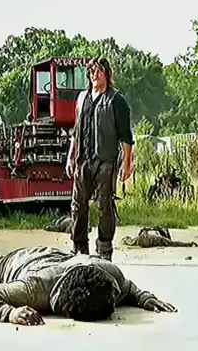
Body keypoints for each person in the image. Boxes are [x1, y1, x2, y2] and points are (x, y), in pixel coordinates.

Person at [0, 246, 176, 325]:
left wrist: (144, 298)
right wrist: (8, 313)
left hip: (50, 256)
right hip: (16, 264)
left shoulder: (108, 274)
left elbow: (128, 288)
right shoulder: (34, 289)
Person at [66, 57, 134, 261]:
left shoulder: (117, 100)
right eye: (92, 72)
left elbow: (126, 136)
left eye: (99, 71)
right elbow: (76, 131)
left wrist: (127, 164)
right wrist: (71, 156)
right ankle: (79, 247)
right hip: (83, 159)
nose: (95, 75)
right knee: (78, 204)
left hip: (106, 160)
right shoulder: (82, 98)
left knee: (105, 205)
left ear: (107, 74)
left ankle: (104, 249)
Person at [121, 227, 198, 248]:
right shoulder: (161, 239)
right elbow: (174, 243)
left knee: (130, 241)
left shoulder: (141, 236)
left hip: (143, 238)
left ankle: (126, 239)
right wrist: (188, 244)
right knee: (171, 243)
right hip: (153, 239)